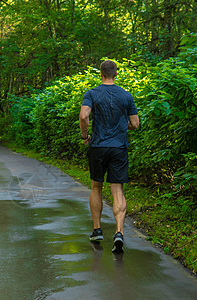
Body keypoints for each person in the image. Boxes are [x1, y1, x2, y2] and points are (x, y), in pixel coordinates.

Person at [79, 60, 139, 253]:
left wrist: (85, 135)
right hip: (119, 147)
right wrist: (121, 126)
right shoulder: (126, 95)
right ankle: (119, 233)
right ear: (115, 74)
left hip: (97, 146)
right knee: (117, 190)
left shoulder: (91, 94)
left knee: (96, 186)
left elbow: (83, 116)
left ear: (101, 74)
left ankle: (97, 230)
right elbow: (135, 124)